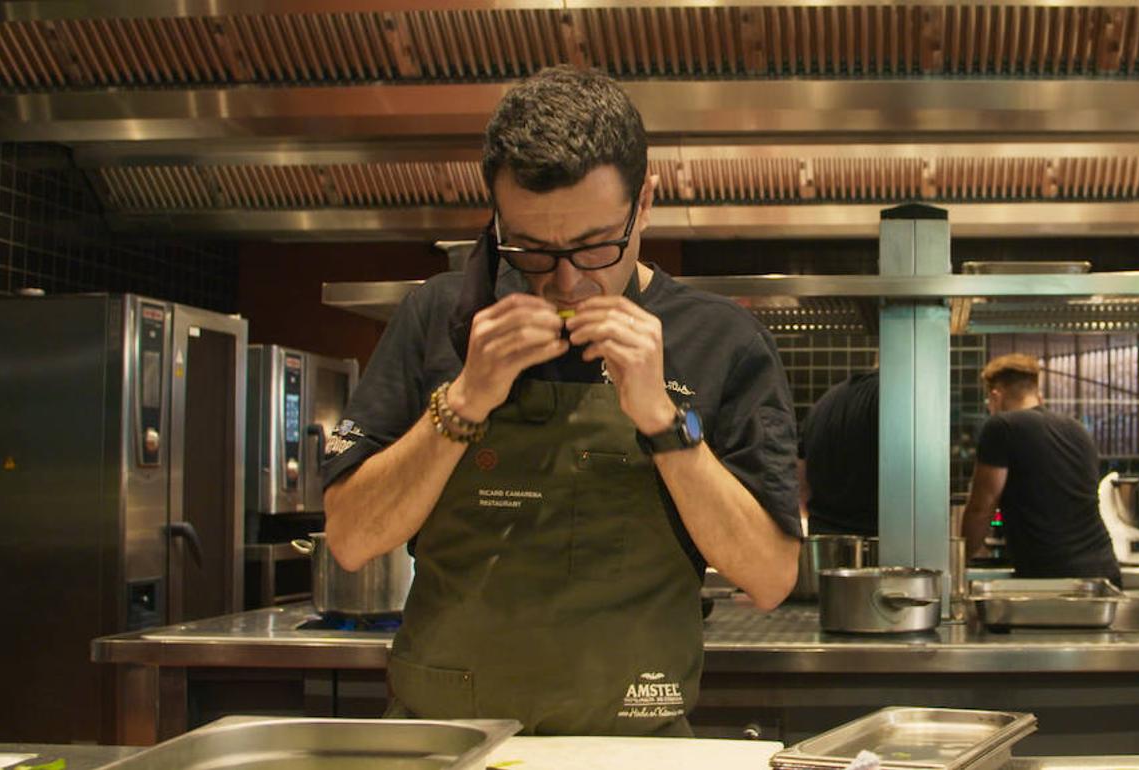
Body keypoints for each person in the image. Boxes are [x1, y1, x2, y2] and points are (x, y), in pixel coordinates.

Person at [320, 65, 802, 737]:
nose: (568, 282)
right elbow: (349, 539)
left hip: (635, 748)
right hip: (445, 741)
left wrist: (666, 423)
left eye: (595, 246)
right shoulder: (437, 318)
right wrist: (463, 400)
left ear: (646, 204)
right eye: (532, 249)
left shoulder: (722, 340)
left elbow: (771, 576)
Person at [962, 353, 1121, 587]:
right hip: (1104, 572)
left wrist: (957, 560)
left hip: (1052, 578)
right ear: (1038, 394)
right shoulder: (1077, 429)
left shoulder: (1001, 426)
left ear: (995, 397)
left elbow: (981, 507)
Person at [797, 370, 879, 536]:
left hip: (823, 546)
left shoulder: (827, 400)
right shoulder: (898, 398)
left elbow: (800, 479)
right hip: (878, 548)